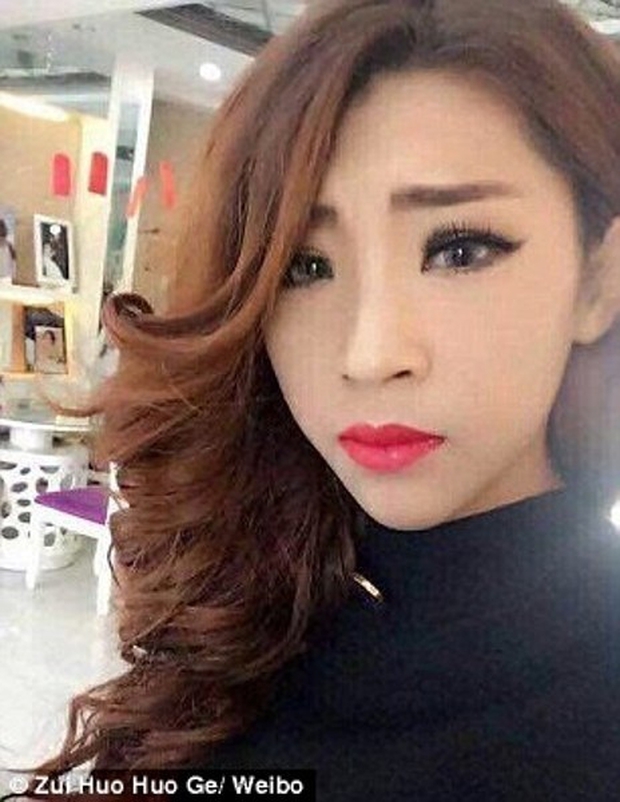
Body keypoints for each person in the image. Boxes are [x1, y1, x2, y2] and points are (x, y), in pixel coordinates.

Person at [17, 0, 620, 798]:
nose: (369, 355)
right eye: (304, 266)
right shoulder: (245, 596)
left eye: (459, 249)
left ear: (599, 279)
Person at [0, 217, 16, 283]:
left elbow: (14, 260)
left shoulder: (9, 245)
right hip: (7, 277)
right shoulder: (9, 244)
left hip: (6, 277)